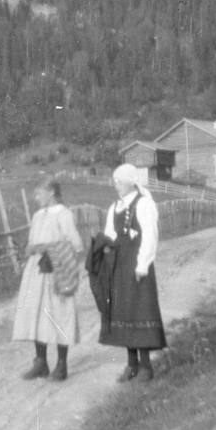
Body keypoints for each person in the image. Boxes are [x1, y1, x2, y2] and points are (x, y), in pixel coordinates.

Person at [88, 163, 166, 382]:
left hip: (137, 265)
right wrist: (104, 246)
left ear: (132, 182)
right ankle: (131, 365)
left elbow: (150, 236)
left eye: (120, 181)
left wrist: (142, 266)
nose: (116, 186)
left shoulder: (144, 204)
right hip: (119, 265)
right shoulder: (116, 207)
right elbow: (110, 234)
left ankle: (146, 367)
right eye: (115, 182)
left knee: (139, 311)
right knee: (123, 312)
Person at [12, 176, 85, 381]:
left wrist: (49, 248)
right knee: (36, 313)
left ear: (51, 192)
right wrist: (30, 248)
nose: (35, 198)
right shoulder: (37, 216)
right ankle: (41, 362)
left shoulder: (64, 214)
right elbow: (32, 242)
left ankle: (61, 366)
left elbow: (77, 244)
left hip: (57, 271)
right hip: (36, 271)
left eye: (38, 193)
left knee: (60, 314)